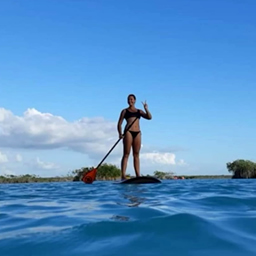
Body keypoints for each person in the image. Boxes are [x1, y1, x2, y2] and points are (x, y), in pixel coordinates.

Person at [117, 94, 152, 180]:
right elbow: (119, 123)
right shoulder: (124, 111)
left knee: (136, 154)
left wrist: (146, 109)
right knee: (126, 154)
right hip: (128, 132)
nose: (130, 101)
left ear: (135, 100)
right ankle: (123, 175)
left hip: (137, 133)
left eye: (132, 99)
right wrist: (120, 134)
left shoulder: (139, 111)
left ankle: (138, 175)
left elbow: (149, 117)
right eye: (129, 99)